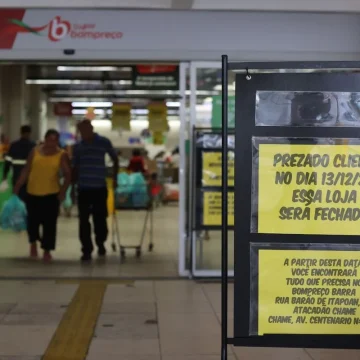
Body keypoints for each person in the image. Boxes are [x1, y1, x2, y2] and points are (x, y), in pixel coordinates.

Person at [14, 129, 71, 262]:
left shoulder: (61, 154)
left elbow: (68, 175)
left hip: (51, 194)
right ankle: (33, 243)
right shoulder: (34, 152)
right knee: (32, 223)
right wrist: (18, 185)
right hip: (32, 193)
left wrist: (63, 191)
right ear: (45, 139)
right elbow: (26, 170)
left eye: (55, 140)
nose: (52, 143)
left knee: (49, 224)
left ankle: (47, 249)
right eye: (50, 140)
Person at [72, 119, 118, 262]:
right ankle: (86, 249)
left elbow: (115, 158)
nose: (83, 134)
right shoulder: (78, 146)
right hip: (83, 188)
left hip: (99, 187)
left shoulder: (103, 142)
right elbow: (75, 167)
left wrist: (115, 178)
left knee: (100, 219)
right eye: (80, 131)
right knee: (83, 221)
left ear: (91, 128)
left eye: (84, 130)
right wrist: (73, 187)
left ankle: (100, 242)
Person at [1, 126, 35, 201]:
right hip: (30, 179)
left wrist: (4, 176)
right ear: (30, 133)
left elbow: (8, 162)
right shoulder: (34, 146)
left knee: (17, 200)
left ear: (20, 133)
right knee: (30, 201)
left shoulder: (14, 145)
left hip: (17, 178)